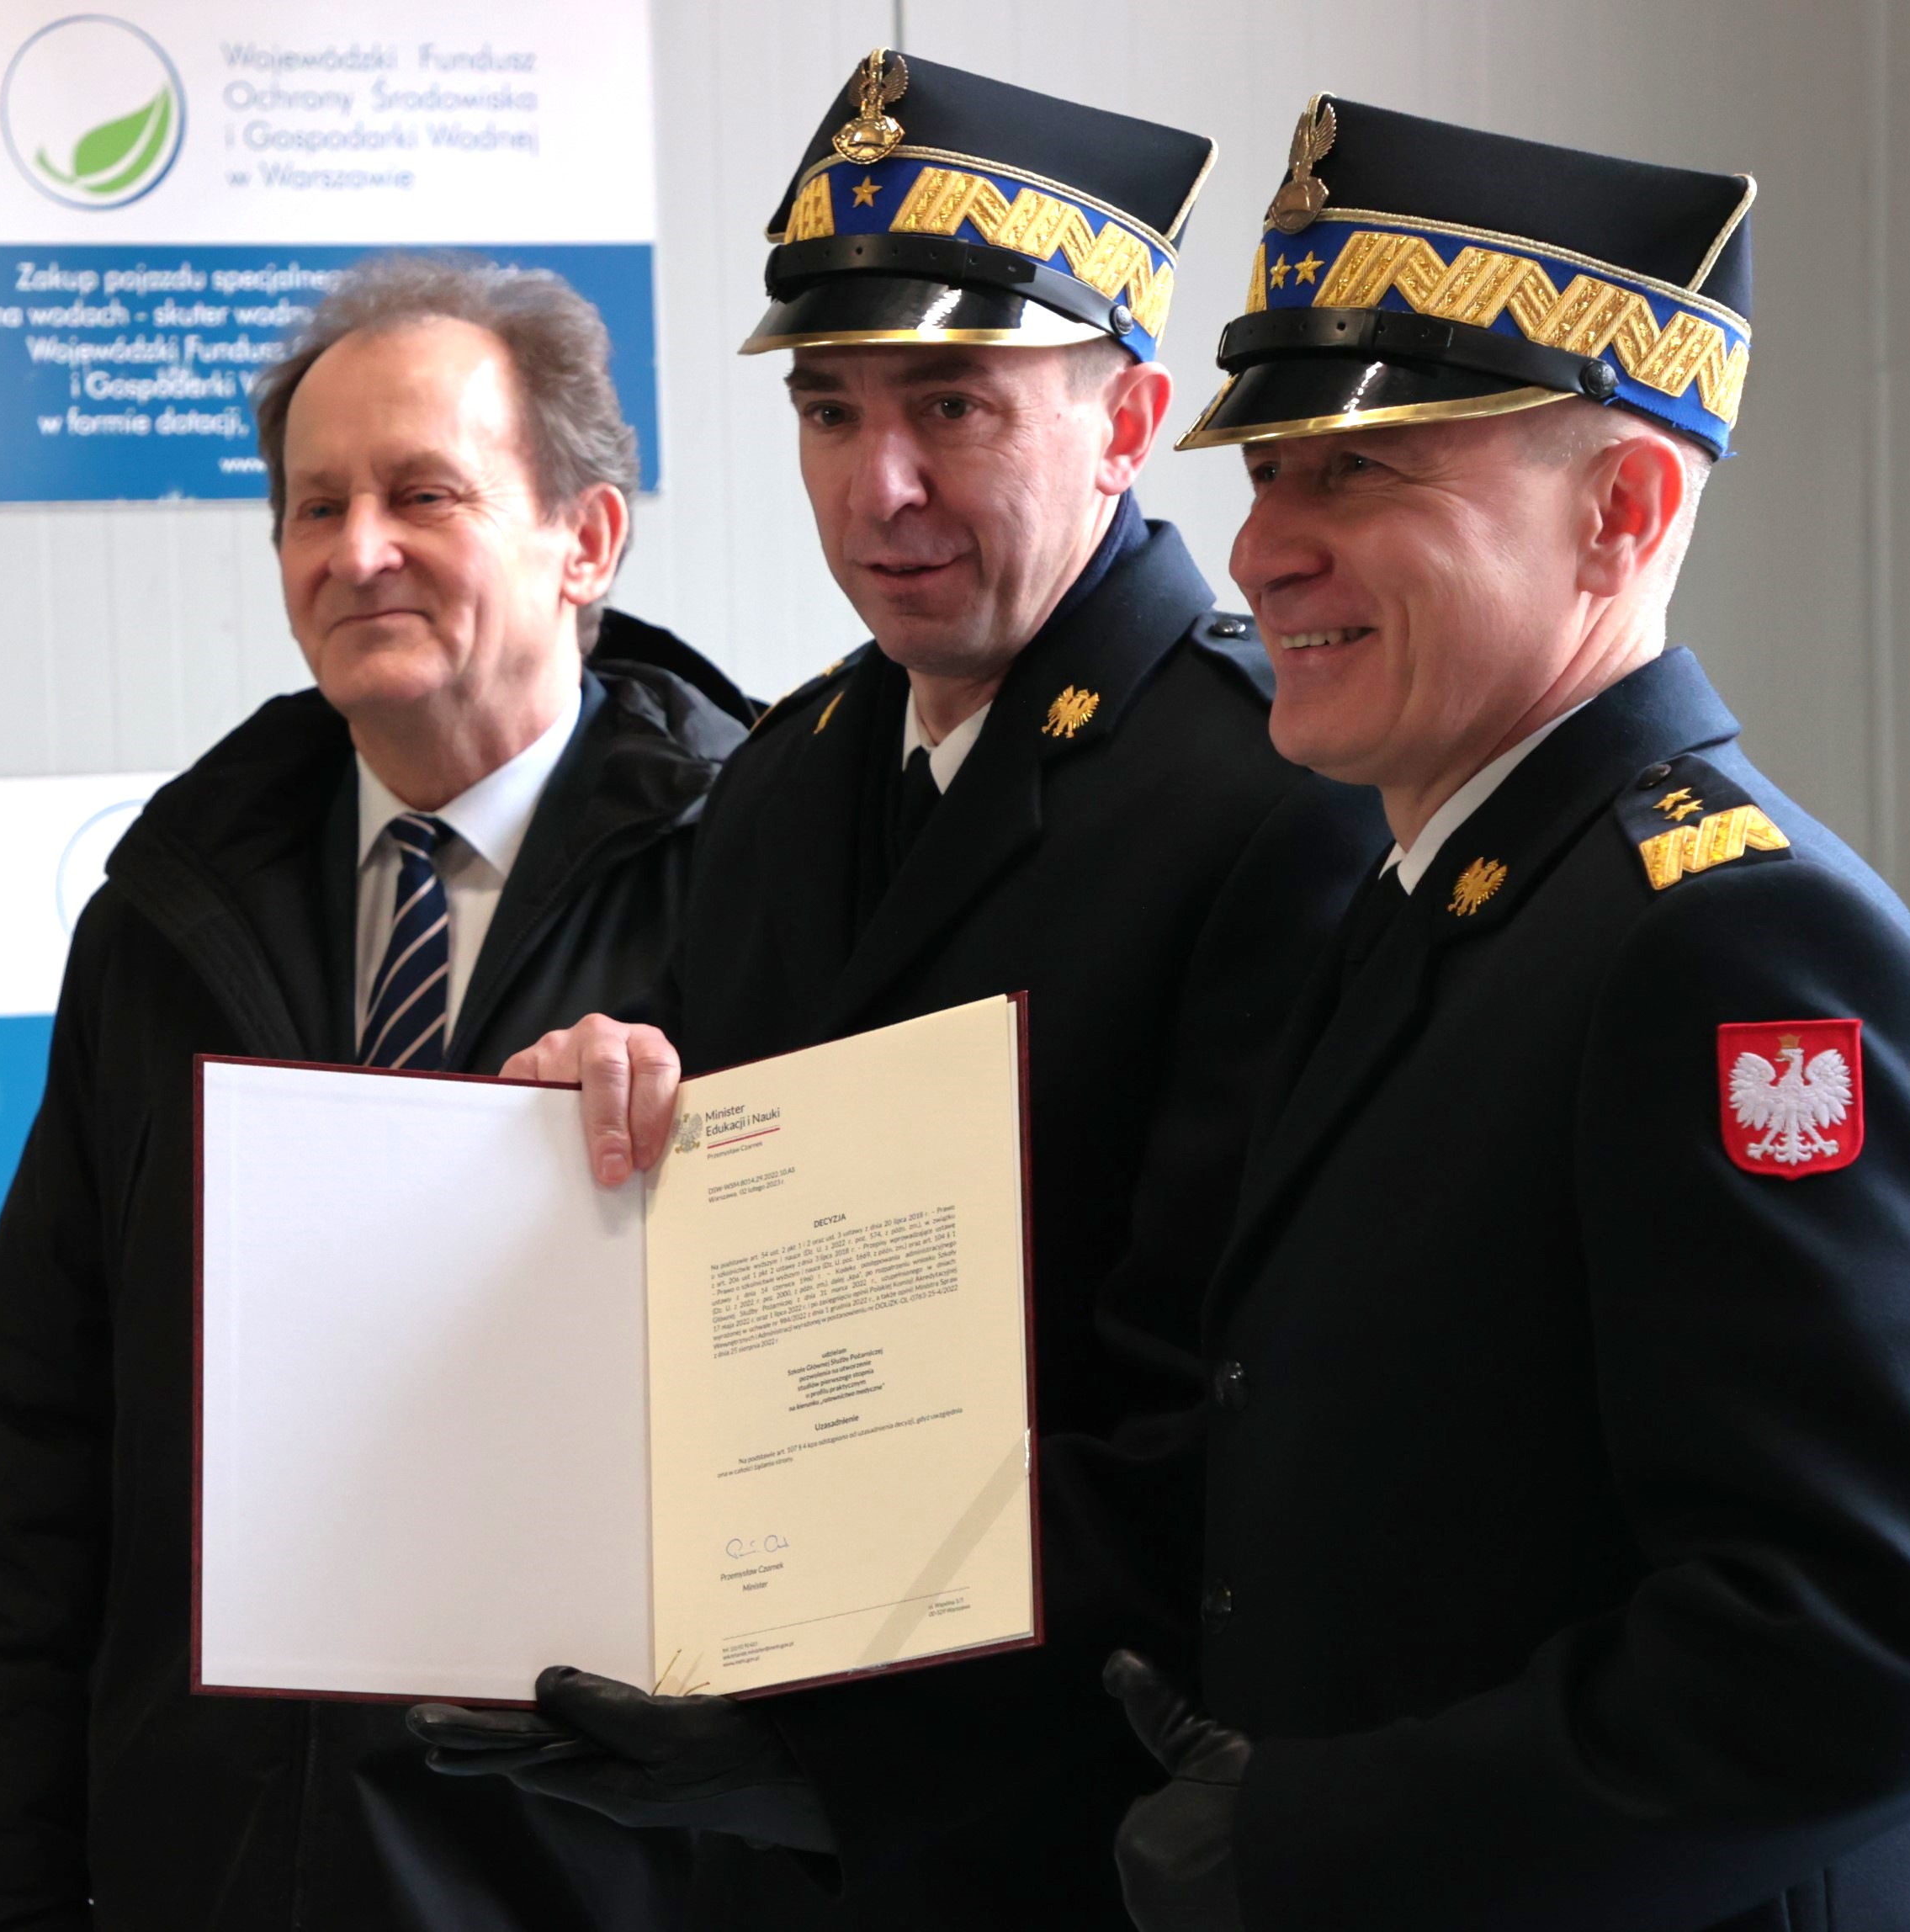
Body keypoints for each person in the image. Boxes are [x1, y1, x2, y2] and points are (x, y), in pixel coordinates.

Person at [411, 54, 1387, 1929]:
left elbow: (1217, 1429)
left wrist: (840, 1752)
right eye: (828, 408)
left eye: (953, 404)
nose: (880, 485)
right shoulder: (790, 772)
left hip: (1070, 1836)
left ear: (1128, 423)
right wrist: (602, 1139)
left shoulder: (1271, 793)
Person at [1102, 98, 1910, 1930]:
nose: (1261, 549)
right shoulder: (1448, 901)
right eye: (1266, 473)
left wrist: (1317, 1843)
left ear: (1622, 513)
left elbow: (1878, 1639)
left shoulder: (1734, 950)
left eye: (1357, 474)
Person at [0, 253, 754, 1932]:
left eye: (422, 495)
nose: (354, 550)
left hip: (604, 1885)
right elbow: (44, 1456)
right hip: (214, 1878)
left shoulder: (761, 882)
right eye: (314, 506)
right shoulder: (163, 915)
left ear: (585, 539)